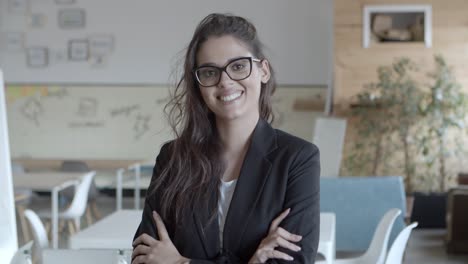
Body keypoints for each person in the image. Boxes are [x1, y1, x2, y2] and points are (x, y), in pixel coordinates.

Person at [132, 13, 320, 264]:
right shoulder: (173, 158)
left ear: (263, 71)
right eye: (210, 72)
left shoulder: (298, 158)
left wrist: (180, 262)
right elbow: (145, 257)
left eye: (239, 66)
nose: (225, 81)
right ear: (198, 84)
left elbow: (295, 261)